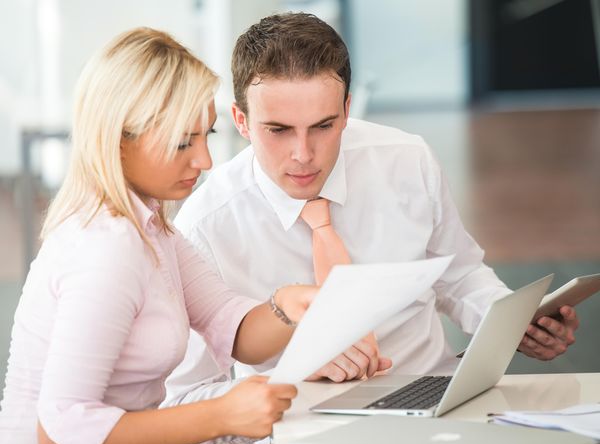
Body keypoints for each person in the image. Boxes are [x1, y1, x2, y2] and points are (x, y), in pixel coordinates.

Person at [164, 11, 579, 413]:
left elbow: (460, 276)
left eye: (323, 126)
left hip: (433, 397)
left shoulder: (407, 160)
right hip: (299, 420)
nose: (303, 154)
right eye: (279, 130)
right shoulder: (203, 227)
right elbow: (186, 396)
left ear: (347, 110)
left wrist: (514, 323)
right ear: (241, 121)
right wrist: (294, 375)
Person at [0, 27, 319, 444]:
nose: (204, 160)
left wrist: (290, 306)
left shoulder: (150, 228)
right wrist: (221, 415)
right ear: (119, 142)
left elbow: (231, 325)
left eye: (206, 135)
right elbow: (61, 432)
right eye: (182, 143)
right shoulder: (106, 249)